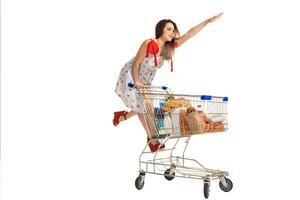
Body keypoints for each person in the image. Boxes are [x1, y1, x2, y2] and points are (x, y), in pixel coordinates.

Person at [113, 13, 223, 152]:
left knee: (143, 106)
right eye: (169, 29)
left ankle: (122, 116)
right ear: (161, 30)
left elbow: (189, 34)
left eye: (173, 30)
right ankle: (153, 139)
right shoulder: (149, 43)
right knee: (145, 107)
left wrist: (207, 21)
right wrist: (136, 81)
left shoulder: (168, 48)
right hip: (131, 75)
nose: (172, 32)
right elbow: (136, 63)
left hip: (145, 80)